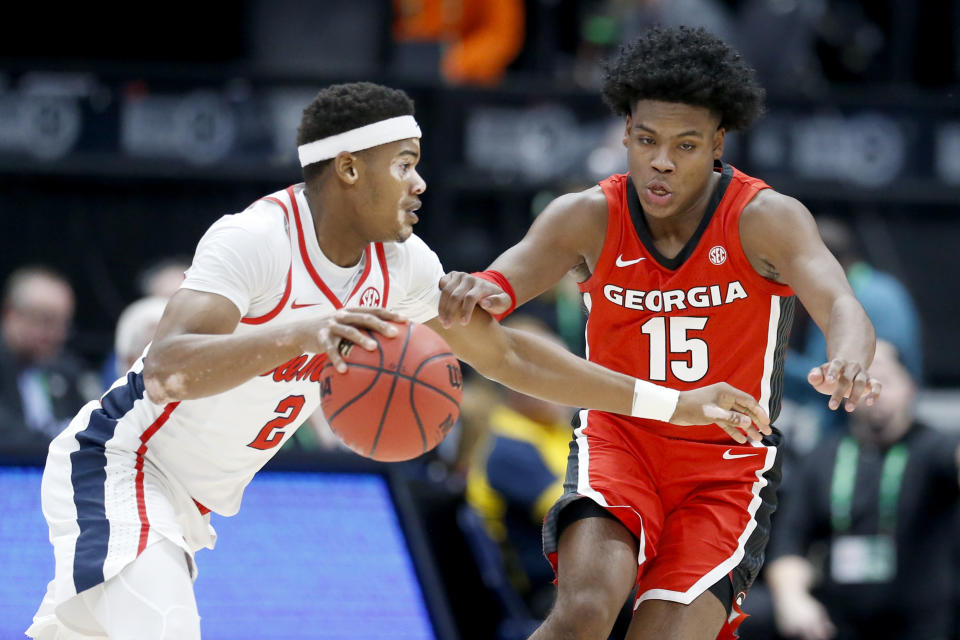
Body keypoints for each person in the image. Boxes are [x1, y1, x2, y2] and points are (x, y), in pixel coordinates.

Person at [26, 81, 771, 640]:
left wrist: (673, 401)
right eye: (405, 164)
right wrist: (302, 332)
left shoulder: (406, 267)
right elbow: (168, 368)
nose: (420, 183)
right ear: (349, 169)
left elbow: (508, 357)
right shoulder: (256, 239)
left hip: (188, 508)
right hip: (122, 469)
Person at [437, 27, 881, 640]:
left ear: (719, 141)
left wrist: (851, 357)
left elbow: (840, 303)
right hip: (620, 441)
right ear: (625, 134)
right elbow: (496, 286)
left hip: (726, 466)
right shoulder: (586, 216)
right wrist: (471, 290)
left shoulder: (765, 219)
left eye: (686, 144)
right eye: (646, 140)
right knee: (585, 611)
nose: (661, 161)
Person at [765, 340, 959, 640]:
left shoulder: (934, 449)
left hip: (923, 623)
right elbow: (790, 541)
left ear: (911, 386)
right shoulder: (822, 457)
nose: (876, 392)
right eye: (866, 382)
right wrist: (792, 598)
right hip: (839, 622)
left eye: (886, 380)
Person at [465, 315, 574, 618]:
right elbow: (575, 516)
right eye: (562, 371)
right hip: (546, 596)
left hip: (584, 576)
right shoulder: (507, 447)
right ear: (522, 382)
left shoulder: (557, 430)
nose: (577, 384)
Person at [0, 266, 92, 452]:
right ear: (10, 313)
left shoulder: (66, 372)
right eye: (44, 320)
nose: (54, 334)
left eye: (62, 323)